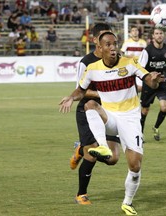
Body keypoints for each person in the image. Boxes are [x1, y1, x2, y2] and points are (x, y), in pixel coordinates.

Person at [59, 31, 164, 215]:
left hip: (130, 119)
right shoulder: (92, 68)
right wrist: (71, 97)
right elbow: (81, 90)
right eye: (108, 44)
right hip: (110, 117)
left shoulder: (130, 63)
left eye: (115, 43)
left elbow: (149, 80)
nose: (113, 47)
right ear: (99, 48)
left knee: (135, 165)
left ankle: (127, 203)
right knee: (90, 105)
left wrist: (154, 81)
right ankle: (102, 146)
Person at [58, 23, 121, 206]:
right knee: (91, 155)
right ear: (96, 41)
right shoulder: (86, 62)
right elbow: (81, 90)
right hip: (88, 110)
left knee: (113, 159)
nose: (109, 45)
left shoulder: (117, 59)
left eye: (111, 41)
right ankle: (81, 194)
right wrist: (105, 93)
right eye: (104, 40)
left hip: (109, 111)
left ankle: (80, 149)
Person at [138, 28, 166, 141]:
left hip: (162, 81)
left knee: (164, 107)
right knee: (144, 110)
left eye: (161, 33)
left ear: (164, 35)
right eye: (157, 34)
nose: (159, 36)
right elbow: (140, 68)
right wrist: (150, 76)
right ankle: (140, 133)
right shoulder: (147, 51)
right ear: (153, 36)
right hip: (149, 83)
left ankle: (156, 127)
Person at [121, 25, 147, 91]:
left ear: (138, 32)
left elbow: (146, 54)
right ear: (130, 33)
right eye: (133, 31)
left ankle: (138, 99)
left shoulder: (143, 43)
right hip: (129, 66)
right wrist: (127, 56)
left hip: (140, 66)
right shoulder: (127, 42)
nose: (135, 32)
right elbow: (121, 54)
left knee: (140, 87)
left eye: (136, 30)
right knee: (128, 87)